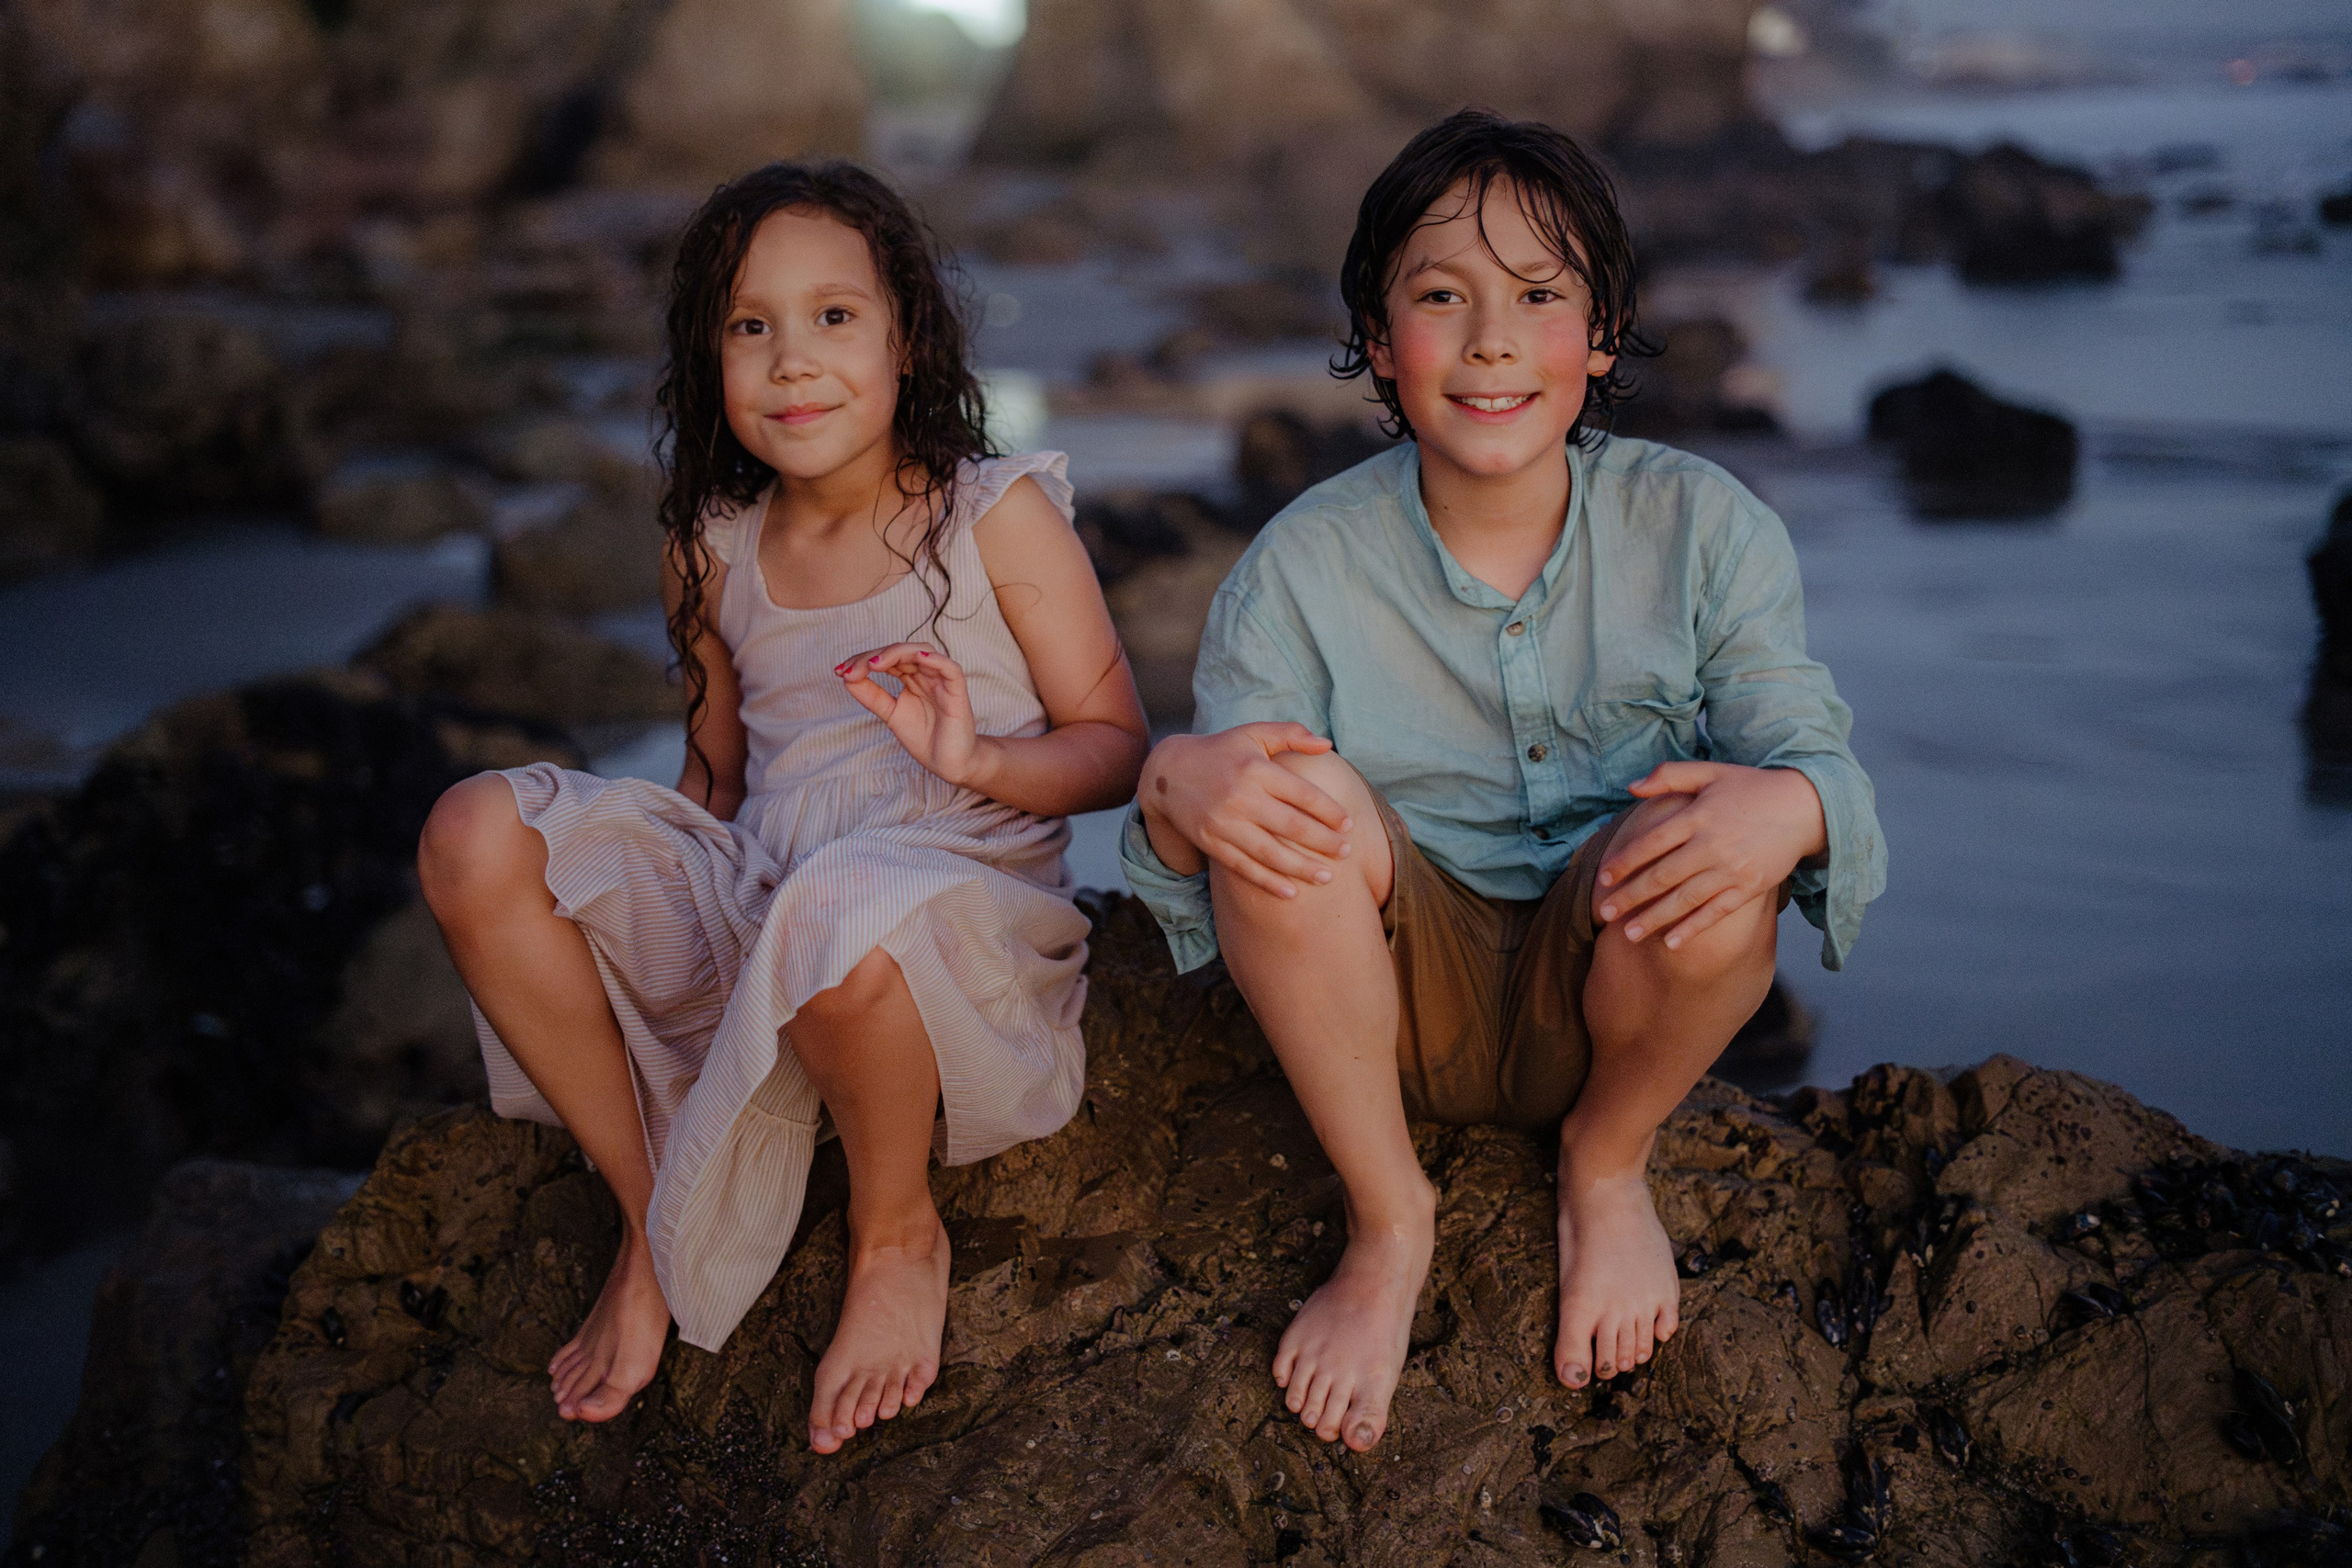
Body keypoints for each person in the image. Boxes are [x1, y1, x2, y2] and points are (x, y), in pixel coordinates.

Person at [1120, 110, 1885, 1454]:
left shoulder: (1705, 526)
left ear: (1599, 335)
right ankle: (1390, 1217)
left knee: (1726, 828)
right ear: (1376, 339)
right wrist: (1179, 780)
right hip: (1389, 1021)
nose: (1488, 341)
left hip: (1613, 1004)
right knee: (1278, 796)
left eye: (1538, 296)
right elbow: (1224, 809)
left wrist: (1800, 804)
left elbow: (1803, 741)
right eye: (1439, 298)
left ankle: (1604, 1169)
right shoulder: (1301, 567)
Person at [416, 162, 1148, 1452]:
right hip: (768, 906)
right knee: (477, 833)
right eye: (751, 326)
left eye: (834, 318)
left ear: (906, 337)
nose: (791, 362)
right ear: (711, 359)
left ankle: (894, 1234)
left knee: (838, 915)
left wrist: (974, 757)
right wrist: (624, 898)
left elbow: (1114, 749)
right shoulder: (713, 545)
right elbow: (716, 784)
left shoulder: (994, 515)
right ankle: (659, 1214)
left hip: (950, 916)